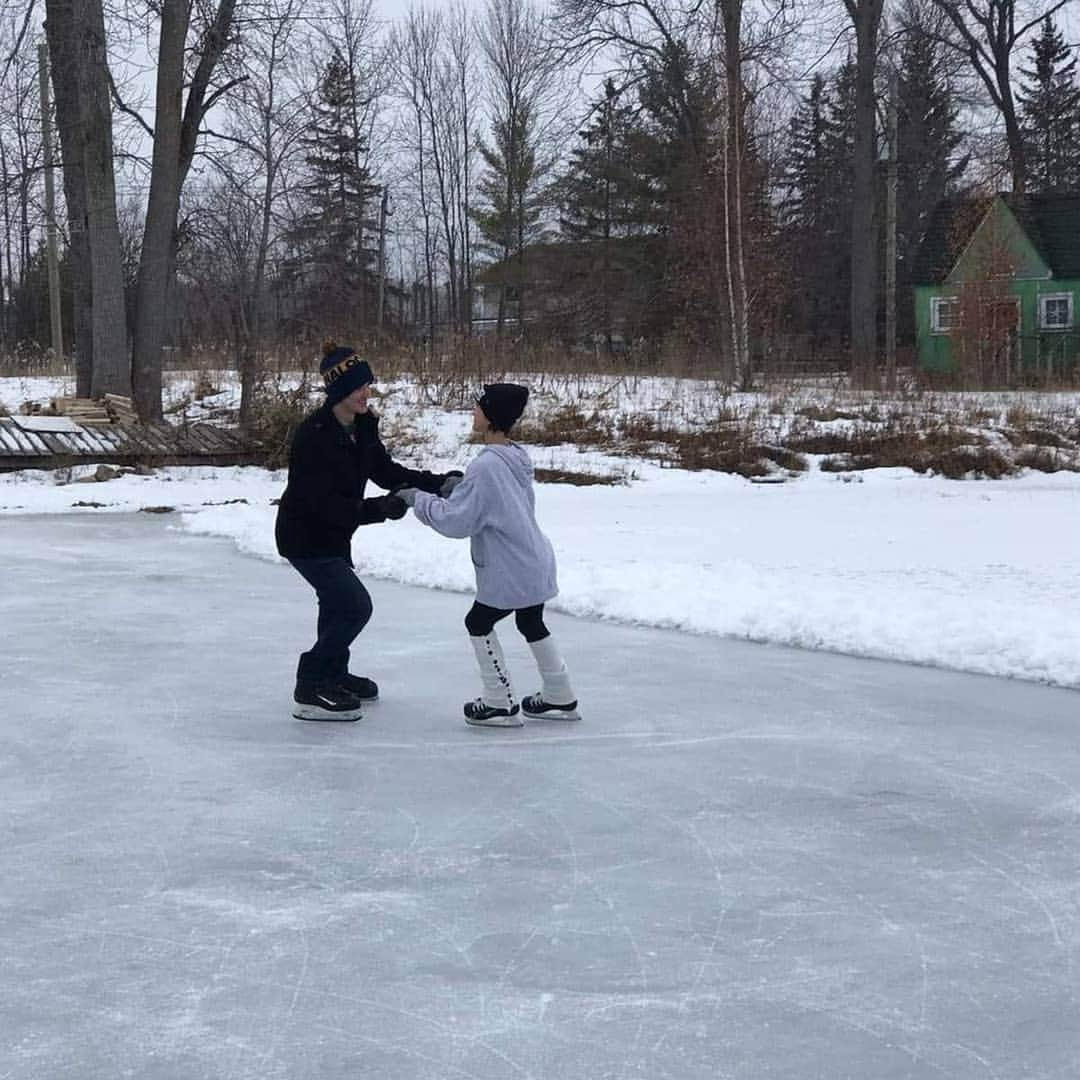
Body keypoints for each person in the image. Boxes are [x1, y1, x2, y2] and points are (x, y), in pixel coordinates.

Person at [275, 341, 461, 721]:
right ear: (339, 390)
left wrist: (437, 483)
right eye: (360, 386)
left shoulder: (361, 428)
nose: (367, 393)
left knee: (335, 604)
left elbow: (387, 472)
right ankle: (311, 684)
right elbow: (319, 503)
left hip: (334, 535)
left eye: (368, 385)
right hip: (305, 535)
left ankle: (334, 674)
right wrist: (378, 509)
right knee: (355, 605)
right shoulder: (314, 435)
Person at [396, 383, 580, 728]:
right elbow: (489, 500)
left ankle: (499, 701)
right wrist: (459, 489)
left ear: (491, 415)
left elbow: (457, 522)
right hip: (532, 558)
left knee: (477, 623)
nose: (473, 413)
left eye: (478, 407)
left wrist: (416, 499)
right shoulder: (514, 456)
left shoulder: (486, 467)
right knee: (530, 621)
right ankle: (560, 695)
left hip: (509, 566)